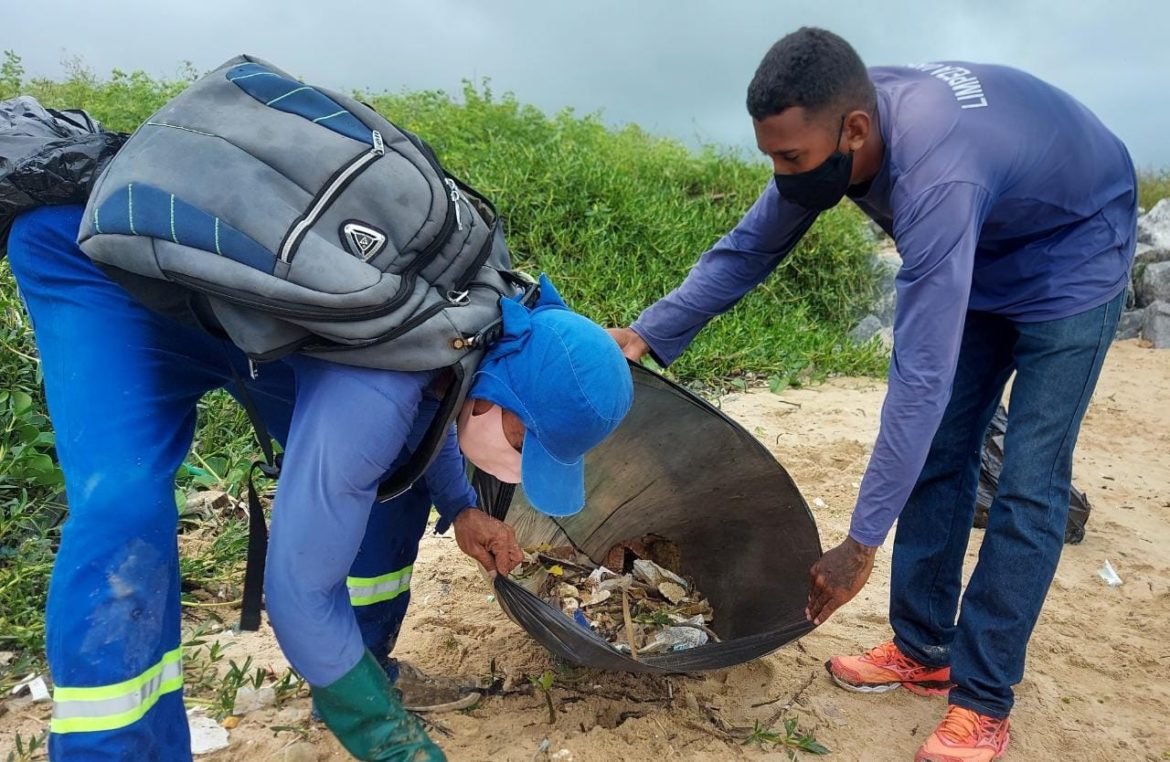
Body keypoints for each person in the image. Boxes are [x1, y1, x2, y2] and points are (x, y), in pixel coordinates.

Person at [610, 27, 1135, 762]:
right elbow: (748, 249)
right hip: (986, 240)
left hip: (1073, 251)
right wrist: (643, 333)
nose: (781, 174)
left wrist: (860, 546)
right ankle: (924, 646)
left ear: (855, 130)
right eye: (770, 155)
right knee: (943, 454)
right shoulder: (835, 118)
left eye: (791, 158)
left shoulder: (937, 178)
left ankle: (983, 701)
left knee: (1027, 482)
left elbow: (917, 380)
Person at [7, 204, 633, 761]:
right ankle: (113, 748)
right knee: (124, 509)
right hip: (112, 264)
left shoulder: (477, 328)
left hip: (247, 316)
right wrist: (390, 742)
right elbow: (295, 592)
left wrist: (463, 508)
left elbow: (438, 411)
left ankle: (365, 662)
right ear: (505, 393)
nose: (518, 464)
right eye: (524, 443)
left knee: (393, 477)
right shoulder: (381, 382)